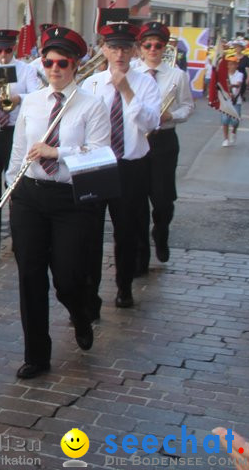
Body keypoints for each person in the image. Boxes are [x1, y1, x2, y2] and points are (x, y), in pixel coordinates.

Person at [6, 26, 110, 380]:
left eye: (62, 63)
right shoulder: (32, 102)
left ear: (76, 65)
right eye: (48, 62)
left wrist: (58, 151)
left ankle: (81, 314)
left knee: (67, 278)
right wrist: (11, 188)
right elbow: (19, 150)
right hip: (30, 195)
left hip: (70, 199)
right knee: (30, 276)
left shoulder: (91, 105)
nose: (54, 69)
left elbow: (100, 154)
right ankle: (36, 354)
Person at [83, 22, 160, 311]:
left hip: (130, 166)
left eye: (126, 48)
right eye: (114, 47)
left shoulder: (145, 83)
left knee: (126, 230)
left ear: (134, 50)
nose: (120, 54)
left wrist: (127, 91)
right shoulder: (91, 83)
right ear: (104, 49)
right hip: (97, 165)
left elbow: (151, 123)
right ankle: (90, 295)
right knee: (90, 232)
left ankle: (124, 287)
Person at [0, 29, 40, 265]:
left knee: (16, 188)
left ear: (14, 49)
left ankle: (19, 239)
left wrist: (17, 98)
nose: (3, 55)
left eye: (8, 50)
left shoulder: (26, 69)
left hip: (15, 132)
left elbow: (36, 94)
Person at [135, 22, 193, 271]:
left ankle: (161, 231)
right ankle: (140, 256)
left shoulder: (177, 75)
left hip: (164, 140)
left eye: (158, 45)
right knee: (136, 200)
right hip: (137, 139)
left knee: (162, 199)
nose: (152, 49)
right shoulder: (131, 73)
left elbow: (188, 107)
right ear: (140, 47)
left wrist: (172, 116)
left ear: (165, 47)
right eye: (147, 45)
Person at [210, 50, 245, 147]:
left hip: (236, 100)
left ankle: (234, 132)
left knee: (235, 120)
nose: (231, 66)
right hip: (225, 101)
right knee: (225, 120)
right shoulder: (224, 75)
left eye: (233, 64)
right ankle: (225, 138)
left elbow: (238, 84)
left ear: (236, 65)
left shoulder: (239, 74)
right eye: (229, 64)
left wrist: (229, 86)